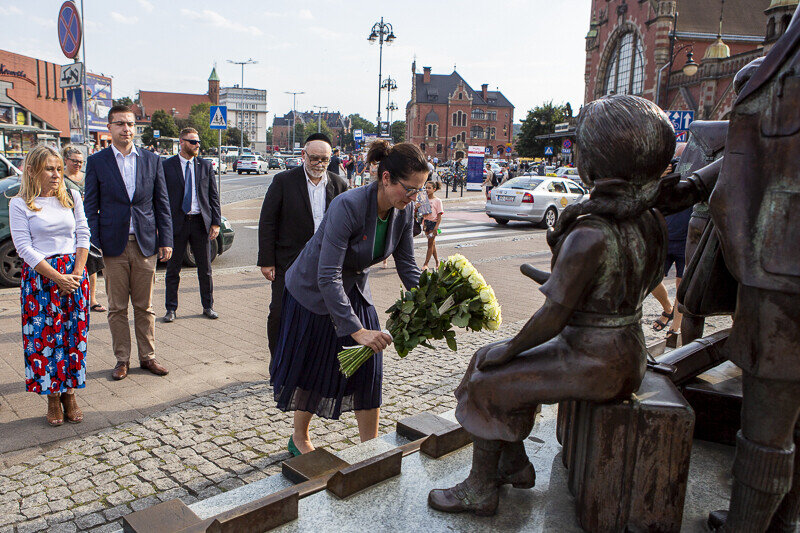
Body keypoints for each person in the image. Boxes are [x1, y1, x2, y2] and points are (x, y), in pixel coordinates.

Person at [429, 94, 673, 516]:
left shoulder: (590, 234)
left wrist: (510, 348)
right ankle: (515, 464)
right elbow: (627, 285)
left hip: (595, 360)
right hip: (623, 350)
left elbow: (553, 318)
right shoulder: (647, 218)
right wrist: (556, 281)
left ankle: (481, 489)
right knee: (485, 357)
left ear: (594, 158)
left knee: (491, 376)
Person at [271, 140, 427, 455]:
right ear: (386, 179)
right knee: (317, 365)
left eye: (419, 191)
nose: (414, 198)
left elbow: (408, 267)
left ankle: (369, 449)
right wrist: (357, 331)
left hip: (354, 286)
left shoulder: (404, 210)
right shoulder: (349, 205)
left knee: (369, 367)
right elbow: (327, 275)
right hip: (314, 291)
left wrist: (434, 301)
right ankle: (299, 437)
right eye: (410, 189)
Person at [84, 104, 173, 381]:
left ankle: (148, 357)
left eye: (131, 124)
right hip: (113, 246)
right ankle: (122, 358)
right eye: (120, 124)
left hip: (145, 243)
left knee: (145, 307)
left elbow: (162, 203)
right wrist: (96, 244)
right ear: (109, 128)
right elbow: (91, 207)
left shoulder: (151, 160)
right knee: (116, 307)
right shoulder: (98, 162)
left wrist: (166, 239)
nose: (126, 129)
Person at [10, 145, 91, 426]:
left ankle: (70, 394)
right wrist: (56, 277)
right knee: (46, 340)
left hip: (74, 276)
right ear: (32, 171)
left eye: (58, 168)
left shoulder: (72, 197)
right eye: (49, 169)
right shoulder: (19, 203)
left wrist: (77, 273)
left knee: (73, 338)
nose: (57, 175)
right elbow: (23, 247)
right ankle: (53, 398)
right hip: (41, 280)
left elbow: (83, 233)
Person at [257, 133, 348, 356]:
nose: (319, 164)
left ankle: (310, 362)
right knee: (279, 312)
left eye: (324, 159)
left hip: (326, 263)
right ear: (303, 155)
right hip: (289, 261)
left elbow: (348, 226)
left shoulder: (339, 185)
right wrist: (267, 261)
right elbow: (268, 221)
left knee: (323, 314)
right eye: (314, 158)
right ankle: (277, 361)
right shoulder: (284, 181)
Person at [162, 128, 221, 322]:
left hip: (199, 223)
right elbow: (160, 198)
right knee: (173, 270)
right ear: (182, 142)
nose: (197, 145)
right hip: (177, 223)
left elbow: (213, 195)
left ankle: (208, 306)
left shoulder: (205, 165)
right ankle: (171, 309)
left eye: (198, 142)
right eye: (193, 142)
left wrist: (216, 222)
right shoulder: (167, 166)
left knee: (205, 269)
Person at [62, 145, 106, 314]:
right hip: (68, 224)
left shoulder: (87, 177)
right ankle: (71, 297)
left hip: (87, 223)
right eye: (75, 161)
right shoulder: (61, 178)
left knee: (91, 262)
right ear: (66, 160)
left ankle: (92, 298)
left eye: (81, 162)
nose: (78, 164)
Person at [422, 181, 443, 270]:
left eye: (429, 188)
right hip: (426, 223)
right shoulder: (424, 199)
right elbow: (423, 213)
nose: (427, 190)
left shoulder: (437, 200)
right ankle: (437, 261)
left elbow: (439, 215)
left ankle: (425, 264)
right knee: (432, 244)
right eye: (426, 187)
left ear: (434, 189)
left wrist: (436, 227)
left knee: (430, 244)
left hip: (433, 223)